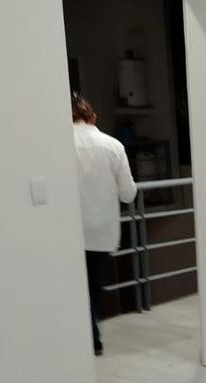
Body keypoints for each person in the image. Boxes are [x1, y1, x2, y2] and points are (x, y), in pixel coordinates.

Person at [72, 93, 137, 356]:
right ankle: (93, 336)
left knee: (74, 289)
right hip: (102, 231)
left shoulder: (57, 145)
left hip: (71, 231)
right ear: (93, 117)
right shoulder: (114, 146)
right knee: (93, 287)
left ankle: (86, 337)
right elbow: (128, 194)